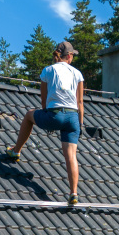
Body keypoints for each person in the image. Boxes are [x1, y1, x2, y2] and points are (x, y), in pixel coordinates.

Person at [5, 40, 85, 205]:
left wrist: (47, 119)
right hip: (73, 118)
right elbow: (80, 103)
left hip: (54, 115)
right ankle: (73, 193)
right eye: (73, 56)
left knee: (28, 116)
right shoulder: (77, 74)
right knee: (71, 156)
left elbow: (44, 101)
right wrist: (80, 125)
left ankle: (16, 151)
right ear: (69, 56)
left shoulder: (47, 71)